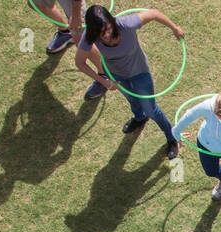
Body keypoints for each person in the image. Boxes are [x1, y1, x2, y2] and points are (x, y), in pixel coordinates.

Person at [74, 6, 183, 159]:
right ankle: (139, 118)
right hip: (116, 75)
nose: (106, 34)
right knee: (131, 99)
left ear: (112, 22)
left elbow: (153, 13)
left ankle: (172, 137)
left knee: (151, 109)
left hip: (139, 72)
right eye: (101, 33)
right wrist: (104, 81)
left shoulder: (126, 23)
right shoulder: (89, 36)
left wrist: (174, 28)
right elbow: (79, 63)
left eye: (108, 28)